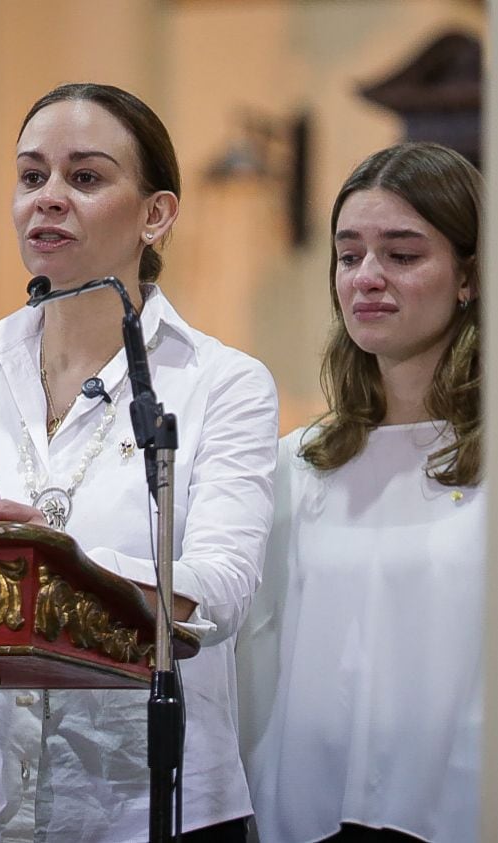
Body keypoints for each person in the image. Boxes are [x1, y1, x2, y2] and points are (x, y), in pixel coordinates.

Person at [0, 83, 279, 841]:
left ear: (155, 214)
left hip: (148, 807)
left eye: (84, 178)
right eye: (31, 177)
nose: (47, 198)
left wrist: (61, 564)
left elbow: (219, 592)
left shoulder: (221, 383)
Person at [237, 142, 483, 843]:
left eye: (401, 254)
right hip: (307, 817)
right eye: (349, 256)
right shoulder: (295, 464)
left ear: (467, 275)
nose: (367, 277)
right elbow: (255, 667)